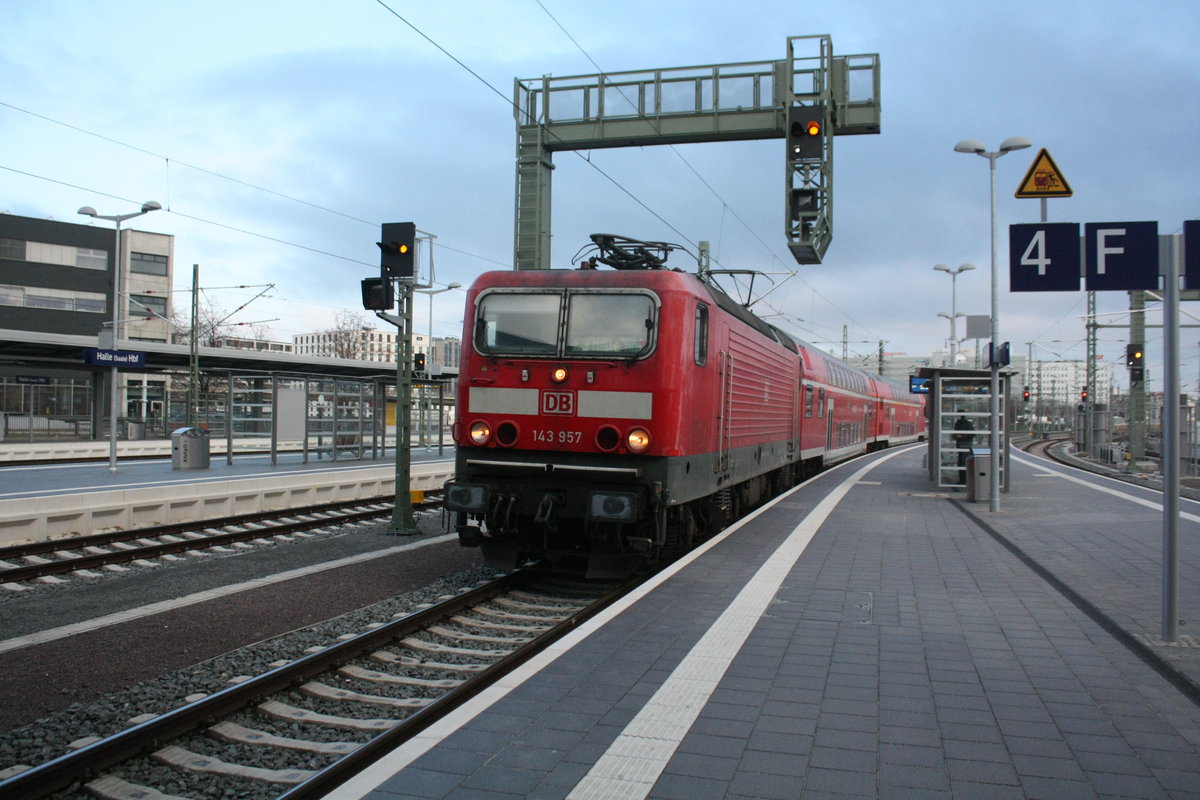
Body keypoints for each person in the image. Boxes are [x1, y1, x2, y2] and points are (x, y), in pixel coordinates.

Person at [953, 413, 975, 486]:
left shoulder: (961, 423)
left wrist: (961, 436)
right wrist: (956, 436)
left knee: (962, 463)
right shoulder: (964, 423)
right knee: (962, 463)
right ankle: (963, 480)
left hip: (964, 445)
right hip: (964, 445)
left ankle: (963, 480)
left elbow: (972, 434)